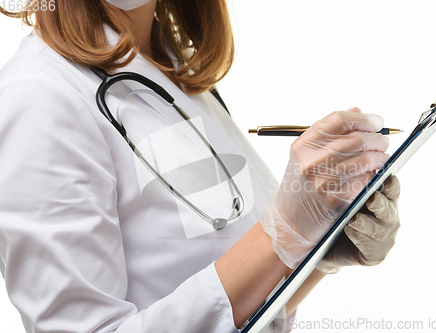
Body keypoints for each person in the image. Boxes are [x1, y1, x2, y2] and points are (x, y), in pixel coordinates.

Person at [0, 0, 401, 332]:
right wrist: (286, 234)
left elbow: (233, 307)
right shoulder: (39, 95)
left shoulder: (171, 67)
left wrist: (315, 252)